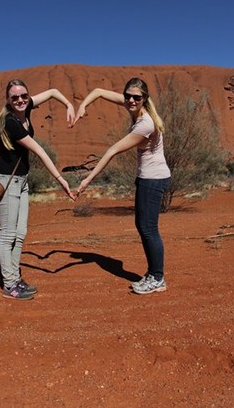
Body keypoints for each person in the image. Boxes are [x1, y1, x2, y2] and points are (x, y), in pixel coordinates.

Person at [73, 77, 171, 295]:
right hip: (148, 178)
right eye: (127, 96)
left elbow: (112, 151)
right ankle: (154, 274)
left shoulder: (146, 123)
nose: (130, 101)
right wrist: (83, 105)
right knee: (143, 226)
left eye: (136, 97)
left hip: (153, 179)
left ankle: (158, 277)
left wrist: (88, 179)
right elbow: (98, 90)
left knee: (148, 229)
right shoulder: (132, 106)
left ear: (145, 99)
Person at [0, 79, 75, 300]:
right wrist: (61, 180)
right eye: (15, 98)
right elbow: (39, 151)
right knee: (8, 234)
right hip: (7, 182)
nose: (20, 100)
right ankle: (9, 284)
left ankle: (15, 276)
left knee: (20, 234)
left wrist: (69, 104)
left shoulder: (27, 107)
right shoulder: (11, 122)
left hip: (22, 180)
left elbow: (54, 90)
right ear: (8, 101)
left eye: (24, 96)